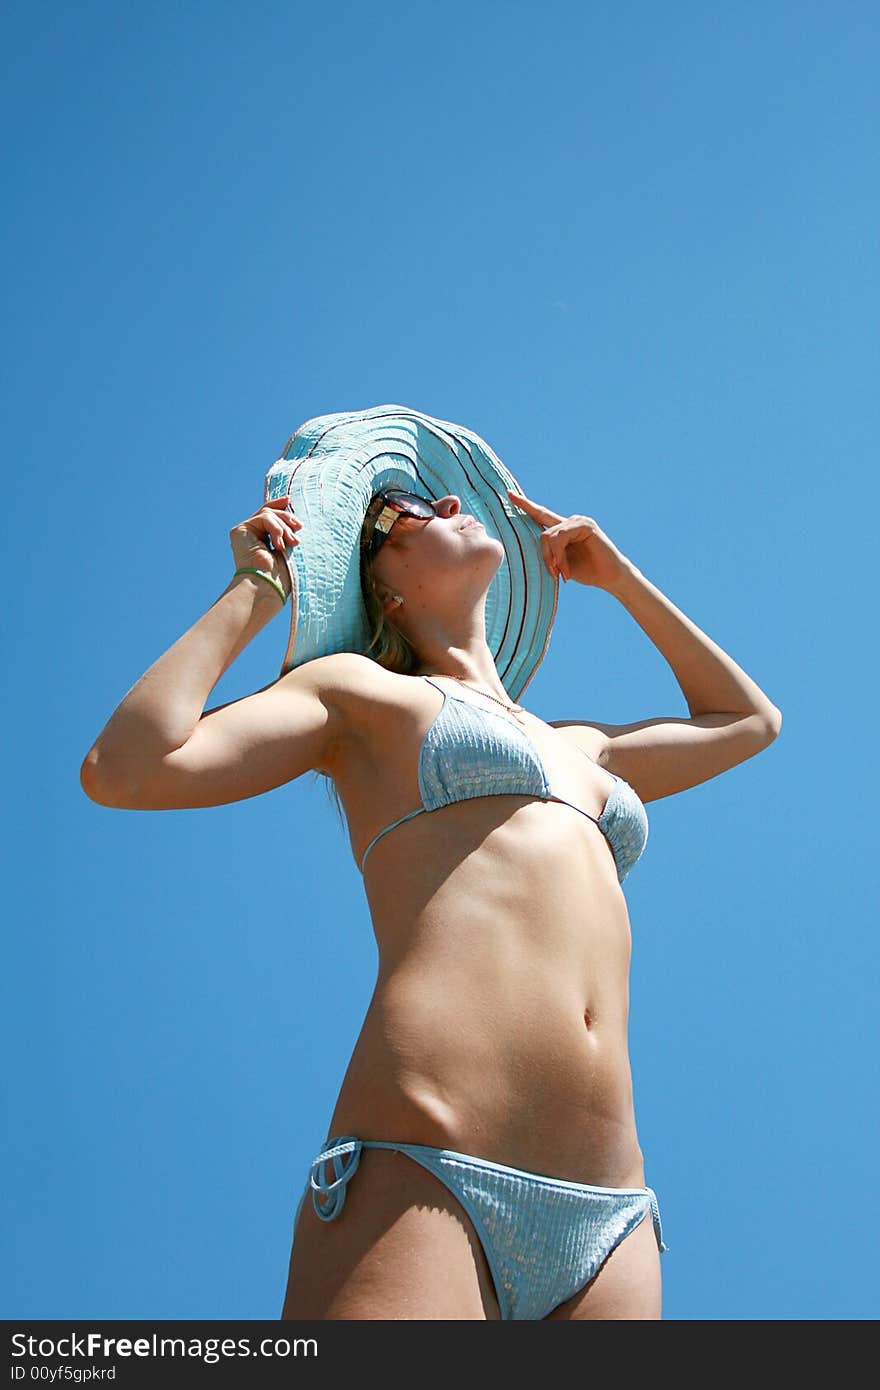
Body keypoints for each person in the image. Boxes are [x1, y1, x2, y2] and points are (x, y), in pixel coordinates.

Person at [80, 404, 781, 1321]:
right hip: (423, 1168)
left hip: (611, 1214)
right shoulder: (356, 695)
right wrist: (255, 588)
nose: (446, 500)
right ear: (383, 589)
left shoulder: (582, 746)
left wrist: (622, 579)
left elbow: (748, 722)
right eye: (404, 510)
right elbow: (127, 768)